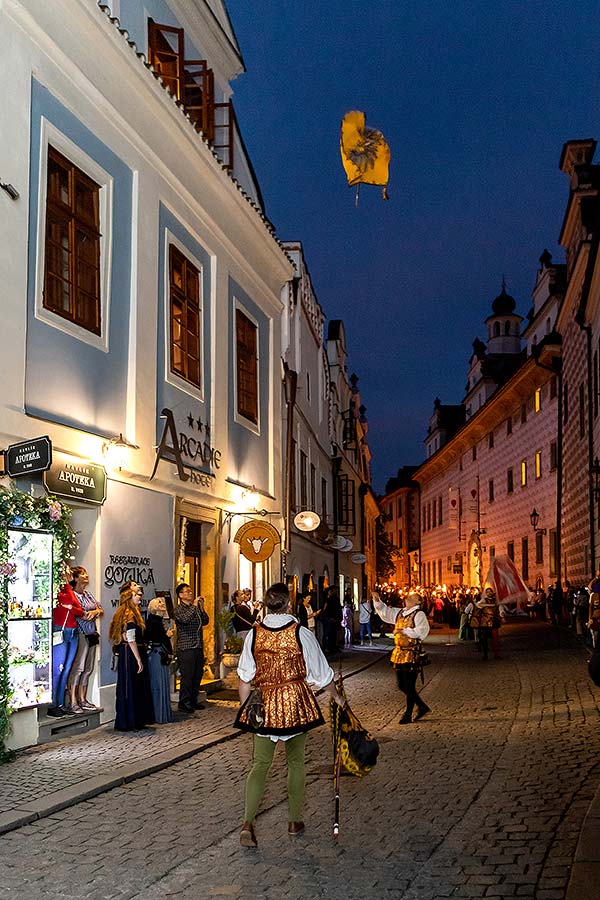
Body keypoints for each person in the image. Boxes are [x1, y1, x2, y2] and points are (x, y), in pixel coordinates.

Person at [235, 582, 344, 847]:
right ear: (288, 604)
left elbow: (244, 677)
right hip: (295, 701)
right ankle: (294, 821)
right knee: (296, 763)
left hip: (264, 703)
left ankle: (248, 823)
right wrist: (337, 697)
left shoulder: (254, 634)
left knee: (260, 765)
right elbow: (321, 672)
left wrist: (248, 707)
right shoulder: (301, 633)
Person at [373, 590, 430, 724]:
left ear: (418, 601)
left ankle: (408, 714)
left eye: (413, 596)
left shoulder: (419, 614)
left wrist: (403, 631)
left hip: (412, 653)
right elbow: (386, 613)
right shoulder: (400, 612)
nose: (408, 597)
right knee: (402, 685)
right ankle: (422, 706)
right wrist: (377, 600)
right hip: (399, 653)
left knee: (409, 685)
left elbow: (421, 632)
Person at [109, 581, 155, 731]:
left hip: (131, 651)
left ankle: (135, 719)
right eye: (136, 595)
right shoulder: (128, 614)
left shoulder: (131, 612)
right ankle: (129, 720)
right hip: (130, 653)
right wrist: (138, 659)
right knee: (131, 685)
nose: (139, 597)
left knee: (135, 685)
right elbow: (130, 638)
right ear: (129, 597)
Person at [65, 566, 103, 713]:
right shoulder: (73, 595)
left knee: (88, 668)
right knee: (78, 667)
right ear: (75, 578)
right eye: (82, 574)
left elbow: (99, 608)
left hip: (92, 632)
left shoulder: (87, 594)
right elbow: (79, 613)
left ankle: (83, 699)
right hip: (81, 633)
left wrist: (94, 611)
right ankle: (73, 701)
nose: (86, 576)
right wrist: (89, 613)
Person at [47, 577, 85, 717]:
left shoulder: (69, 590)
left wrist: (71, 607)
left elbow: (79, 610)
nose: (68, 574)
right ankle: (52, 704)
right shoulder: (58, 590)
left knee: (67, 669)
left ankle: (61, 703)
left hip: (72, 631)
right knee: (59, 668)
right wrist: (72, 607)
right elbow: (72, 607)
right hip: (60, 630)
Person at [174, 583, 209, 713]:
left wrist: (201, 608)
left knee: (197, 674)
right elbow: (185, 619)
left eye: (190, 591)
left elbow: (205, 621)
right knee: (187, 676)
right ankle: (184, 702)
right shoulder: (179, 609)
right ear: (180, 595)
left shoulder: (195, 609)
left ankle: (193, 700)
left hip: (198, 646)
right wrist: (194, 606)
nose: (190, 593)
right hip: (186, 647)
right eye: (187, 591)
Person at [146, 596, 174, 724]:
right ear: (153, 607)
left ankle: (162, 714)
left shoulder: (158, 620)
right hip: (157, 655)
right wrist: (166, 636)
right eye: (159, 602)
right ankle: (158, 714)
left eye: (162, 602)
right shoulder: (153, 621)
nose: (162, 603)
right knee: (158, 685)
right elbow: (153, 636)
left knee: (161, 684)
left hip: (160, 655)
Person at [472, 587, 501, 660]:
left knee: (495, 639)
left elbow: (499, 608)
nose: (489, 593)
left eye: (490, 592)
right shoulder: (484, 600)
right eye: (487, 592)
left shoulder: (495, 600)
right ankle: (485, 655)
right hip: (485, 621)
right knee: (484, 638)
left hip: (494, 621)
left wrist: (501, 616)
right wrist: (488, 605)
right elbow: (478, 605)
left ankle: (496, 654)